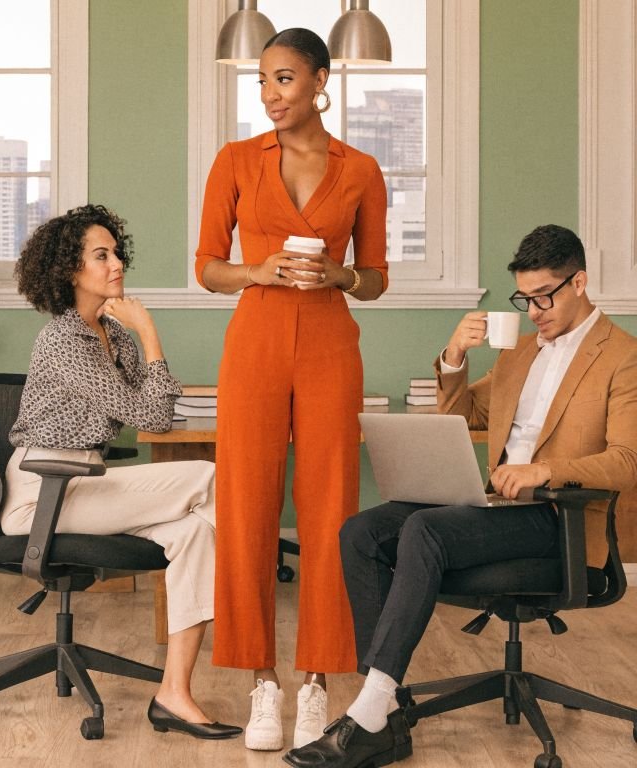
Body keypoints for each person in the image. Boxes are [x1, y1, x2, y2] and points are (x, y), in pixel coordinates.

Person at [284, 224, 637, 768]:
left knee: (425, 530)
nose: (534, 309)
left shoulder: (622, 356)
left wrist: (544, 468)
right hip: (498, 508)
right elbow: (463, 414)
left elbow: (626, 461)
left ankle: (368, 714)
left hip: (556, 519)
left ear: (580, 282)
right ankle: (388, 708)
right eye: (525, 298)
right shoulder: (519, 352)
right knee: (364, 531)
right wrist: (453, 355)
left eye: (544, 295)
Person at [195, 28, 390, 751]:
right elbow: (207, 265)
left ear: (320, 81)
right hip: (257, 338)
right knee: (245, 505)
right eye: (263, 82)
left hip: (331, 343)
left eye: (284, 80)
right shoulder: (237, 160)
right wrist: (257, 271)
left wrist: (342, 276)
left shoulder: (362, 169)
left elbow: (374, 277)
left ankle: (315, 682)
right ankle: (261, 684)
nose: (272, 95)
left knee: (331, 509)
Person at [9, 204, 240, 739]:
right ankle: (249, 606)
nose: (116, 265)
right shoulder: (64, 340)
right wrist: (151, 330)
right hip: (44, 490)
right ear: (71, 270)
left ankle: (174, 695)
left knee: (196, 534)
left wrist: (136, 335)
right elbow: (151, 415)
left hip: (84, 482)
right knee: (210, 476)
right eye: (101, 255)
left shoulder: (114, 335)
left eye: (116, 253)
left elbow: (155, 417)